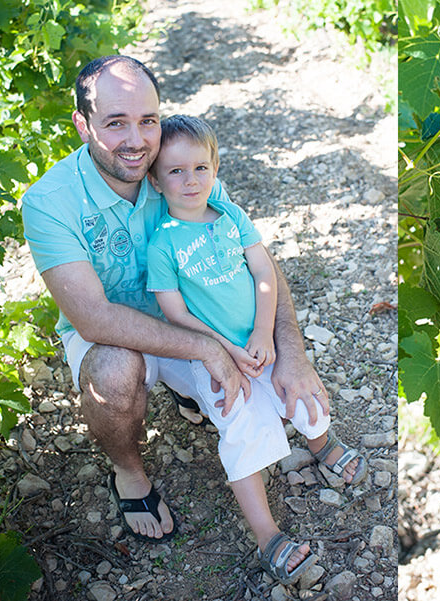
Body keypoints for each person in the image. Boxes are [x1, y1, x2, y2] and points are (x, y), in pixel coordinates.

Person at [20, 56, 331, 548]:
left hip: (196, 323)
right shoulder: (48, 202)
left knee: (254, 382)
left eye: (148, 120)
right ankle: (129, 473)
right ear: (82, 124)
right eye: (115, 123)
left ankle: (190, 393)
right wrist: (208, 351)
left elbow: (255, 261)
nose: (137, 140)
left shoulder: (179, 165)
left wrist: (290, 352)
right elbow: (93, 318)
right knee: (115, 372)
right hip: (116, 339)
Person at [145, 114, 366, 583]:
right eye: (176, 172)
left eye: (201, 168)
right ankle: (267, 534)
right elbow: (176, 313)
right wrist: (225, 348)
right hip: (216, 353)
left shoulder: (230, 218)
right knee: (241, 421)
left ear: (216, 167)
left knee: (300, 395)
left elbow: (265, 274)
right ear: (156, 179)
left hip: (258, 340)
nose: (191, 180)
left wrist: (265, 334)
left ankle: (322, 444)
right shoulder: (162, 244)